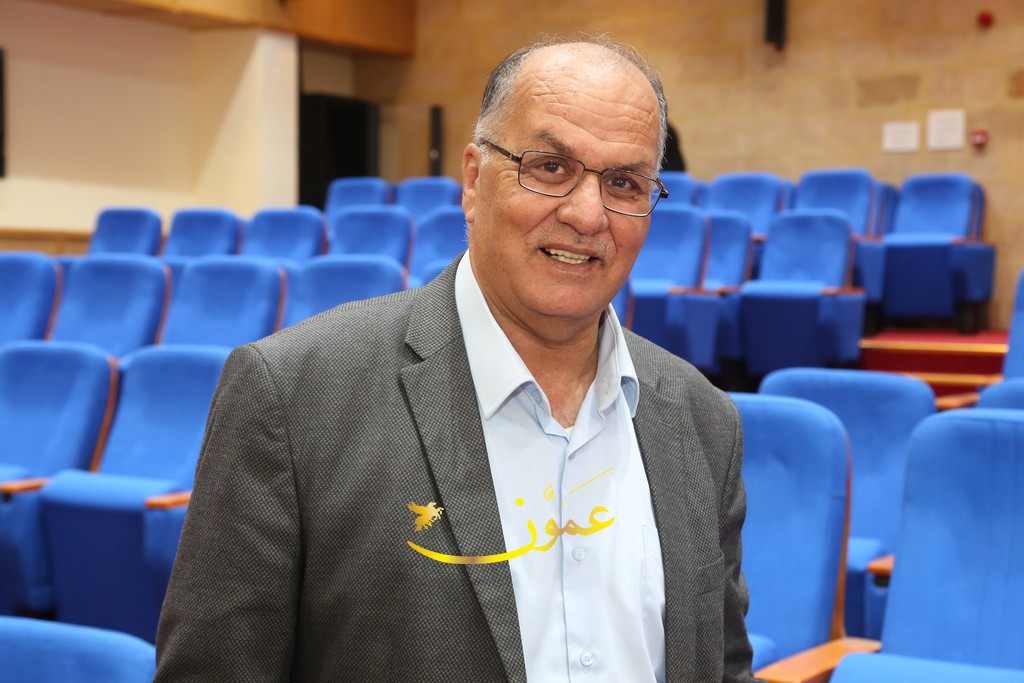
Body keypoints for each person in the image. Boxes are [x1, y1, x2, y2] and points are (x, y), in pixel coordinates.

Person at [154, 36, 758, 682]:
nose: (588, 214)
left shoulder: (703, 420)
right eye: (550, 167)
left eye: (624, 183)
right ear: (473, 180)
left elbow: (723, 666)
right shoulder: (295, 399)